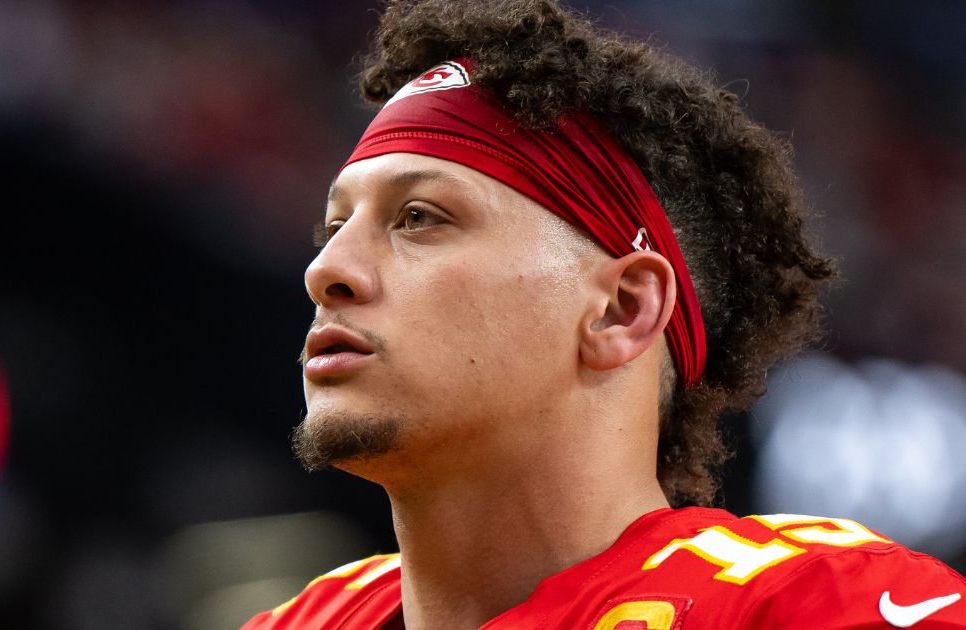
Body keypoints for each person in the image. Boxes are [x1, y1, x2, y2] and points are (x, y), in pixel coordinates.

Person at [243, 1, 966, 628]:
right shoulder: (292, 621)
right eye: (332, 228)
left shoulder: (823, 608)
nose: (326, 270)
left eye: (420, 217)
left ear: (623, 309)